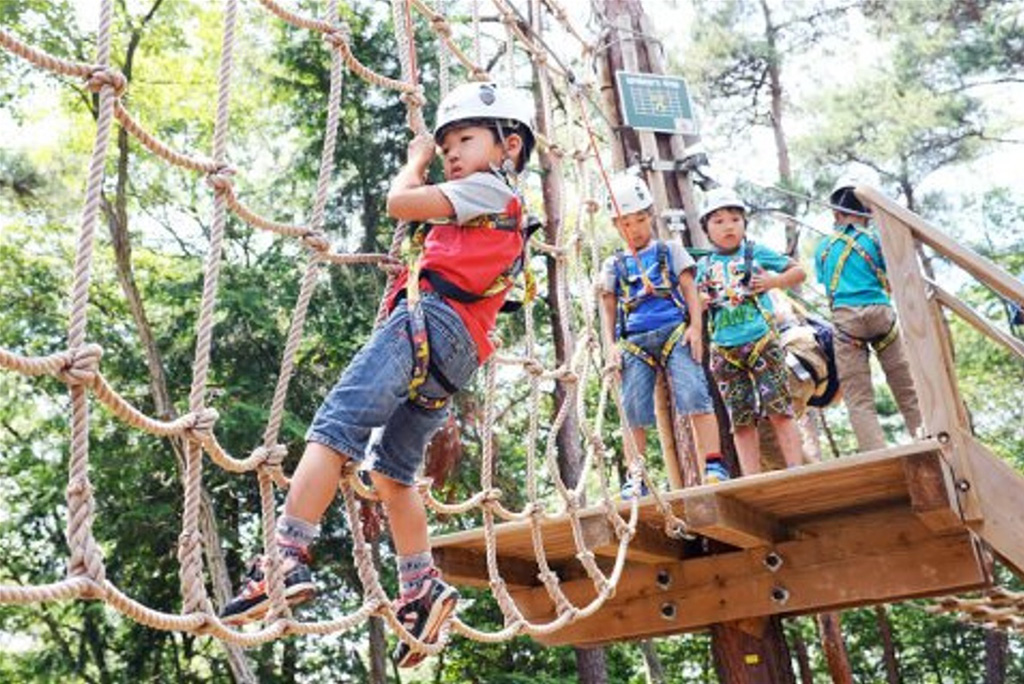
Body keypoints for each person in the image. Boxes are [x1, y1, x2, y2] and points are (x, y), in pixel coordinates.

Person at [220, 81, 536, 669]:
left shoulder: (488, 189)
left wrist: (415, 163)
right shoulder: (495, 204)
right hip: (455, 353)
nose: (452, 153)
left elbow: (400, 203)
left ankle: (285, 558)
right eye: (445, 148)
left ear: (508, 146)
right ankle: (420, 587)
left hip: (427, 323)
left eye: (465, 139)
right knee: (393, 472)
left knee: (333, 427)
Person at [598, 173, 727, 494]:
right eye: (626, 223)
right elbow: (608, 305)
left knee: (694, 395)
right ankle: (636, 476)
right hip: (634, 341)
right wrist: (610, 345)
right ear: (617, 226)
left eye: (640, 219)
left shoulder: (670, 250)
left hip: (674, 332)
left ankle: (713, 464)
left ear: (650, 216)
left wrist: (696, 328)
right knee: (632, 409)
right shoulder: (614, 265)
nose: (635, 229)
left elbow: (689, 288)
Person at [696, 188, 806, 476]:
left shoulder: (755, 252)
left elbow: (798, 272)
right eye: (718, 221)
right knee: (741, 420)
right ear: (706, 229)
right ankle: (752, 477)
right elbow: (692, 303)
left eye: (734, 219)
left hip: (761, 342)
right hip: (724, 349)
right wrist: (701, 301)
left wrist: (773, 281)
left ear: (744, 224)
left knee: (779, 409)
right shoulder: (704, 265)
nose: (728, 226)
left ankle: (796, 469)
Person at [814, 178, 921, 452]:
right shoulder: (875, 240)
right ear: (868, 213)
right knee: (906, 387)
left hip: (847, 322)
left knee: (858, 396)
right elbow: (894, 272)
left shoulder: (824, 247)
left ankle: (876, 451)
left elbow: (824, 282)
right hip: (881, 314)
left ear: (836, 213)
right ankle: (924, 436)